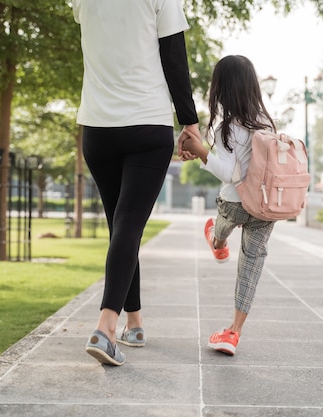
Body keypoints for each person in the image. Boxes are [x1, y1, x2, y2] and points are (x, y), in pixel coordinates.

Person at [72, 0, 201, 366]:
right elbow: (174, 57)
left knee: (122, 229)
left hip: (97, 128)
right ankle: (105, 326)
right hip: (147, 122)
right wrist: (189, 122)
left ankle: (135, 322)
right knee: (128, 226)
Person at [178, 55, 276, 356]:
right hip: (265, 208)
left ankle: (217, 240)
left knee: (222, 217)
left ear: (220, 88)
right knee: (250, 268)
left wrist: (201, 152)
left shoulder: (227, 127)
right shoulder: (266, 124)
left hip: (235, 204)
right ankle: (233, 333)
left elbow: (230, 174)